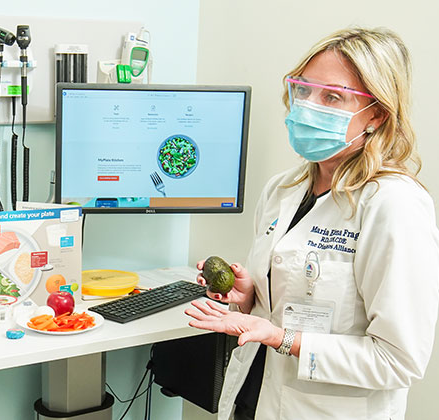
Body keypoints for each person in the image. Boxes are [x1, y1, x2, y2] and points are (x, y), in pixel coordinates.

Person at [185, 27, 439, 420]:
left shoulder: (394, 205)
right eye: (302, 89)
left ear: (377, 115)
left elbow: (398, 360)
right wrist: (253, 295)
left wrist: (283, 338)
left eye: (332, 97)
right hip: (254, 397)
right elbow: (295, 301)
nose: (307, 106)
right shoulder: (283, 189)